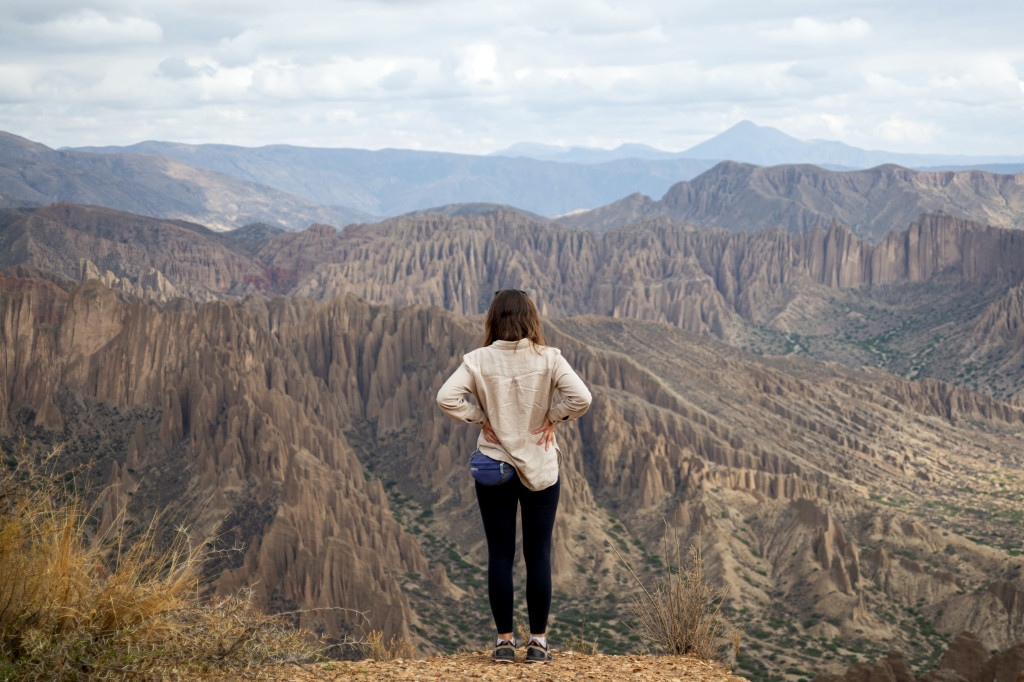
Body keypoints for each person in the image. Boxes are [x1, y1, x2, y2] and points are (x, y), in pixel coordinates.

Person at [436, 289, 592, 664]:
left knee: (500, 554)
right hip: (540, 467)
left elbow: (446, 397)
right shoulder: (549, 358)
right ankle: (538, 644)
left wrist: (481, 419)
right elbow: (582, 398)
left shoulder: (477, 360)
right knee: (538, 554)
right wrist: (552, 419)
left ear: (494, 320)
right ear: (530, 320)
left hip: (495, 468)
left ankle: (504, 643)